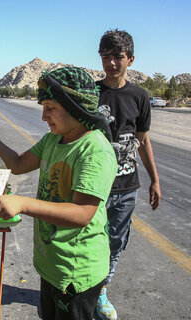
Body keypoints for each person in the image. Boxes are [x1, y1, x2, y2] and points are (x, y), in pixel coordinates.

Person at [0, 67, 117, 320]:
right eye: (43, 107)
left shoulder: (94, 149)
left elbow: (82, 213)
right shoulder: (54, 140)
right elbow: (17, 163)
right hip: (53, 266)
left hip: (76, 271)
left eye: (50, 108)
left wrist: (22, 203)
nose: (44, 116)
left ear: (76, 106)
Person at [95, 29, 161, 320]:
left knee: (115, 241)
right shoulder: (90, 93)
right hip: (93, 185)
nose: (111, 63)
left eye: (117, 57)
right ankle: (82, 288)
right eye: (105, 57)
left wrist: (155, 180)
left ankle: (100, 291)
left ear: (130, 59)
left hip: (126, 188)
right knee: (86, 238)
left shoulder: (140, 96)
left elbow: (143, 140)